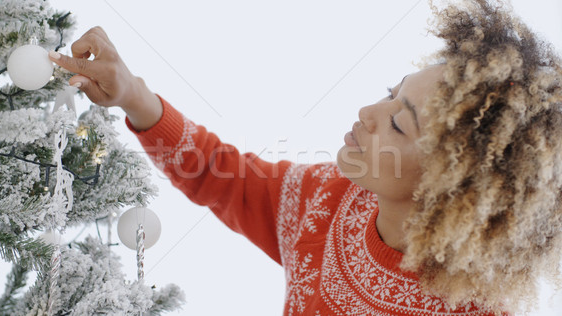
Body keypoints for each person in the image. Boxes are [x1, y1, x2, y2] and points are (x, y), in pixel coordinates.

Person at [48, 0, 562, 315]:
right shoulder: (328, 201)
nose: (367, 110)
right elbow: (221, 175)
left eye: (400, 123)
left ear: (454, 192)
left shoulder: (470, 310)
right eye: (390, 91)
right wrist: (134, 95)